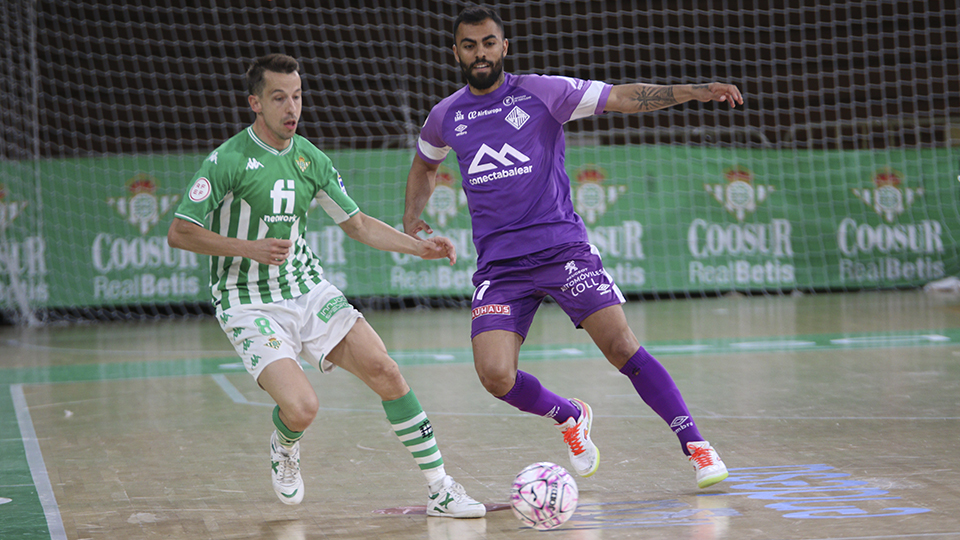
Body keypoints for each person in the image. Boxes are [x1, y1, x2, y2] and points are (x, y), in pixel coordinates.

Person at [403, 6, 743, 489]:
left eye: (488, 42)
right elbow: (425, 165)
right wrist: (412, 220)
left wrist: (694, 92)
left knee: (622, 346)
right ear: (455, 52)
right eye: (469, 45)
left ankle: (697, 446)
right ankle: (569, 416)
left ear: (505, 46)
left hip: (562, 251)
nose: (480, 53)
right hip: (501, 268)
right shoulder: (446, 115)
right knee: (495, 376)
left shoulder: (544, 92)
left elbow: (624, 97)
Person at [167, 53, 485, 517]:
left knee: (387, 371)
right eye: (279, 98)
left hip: (306, 287)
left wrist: (419, 247)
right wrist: (246, 247)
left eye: (296, 96)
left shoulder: (309, 159)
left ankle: (440, 487)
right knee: (302, 408)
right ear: (255, 102)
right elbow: (180, 231)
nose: (291, 108)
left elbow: (356, 224)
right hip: (247, 302)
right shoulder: (227, 161)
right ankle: (284, 444)